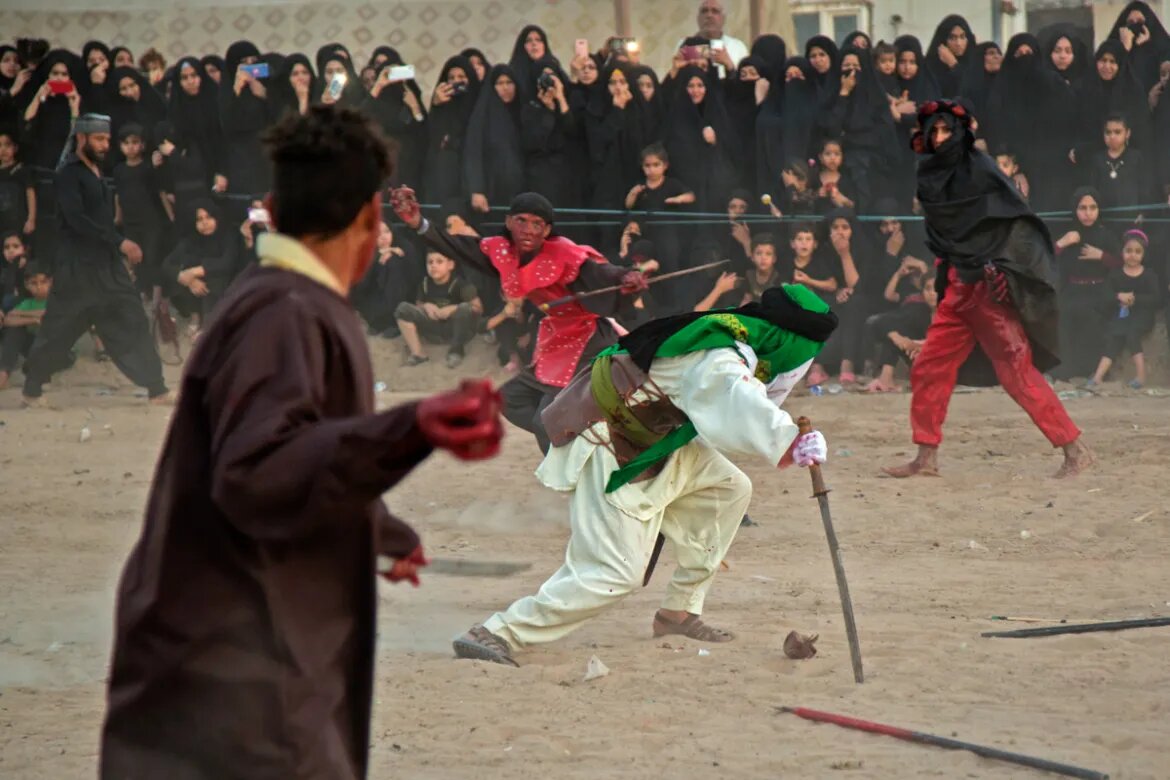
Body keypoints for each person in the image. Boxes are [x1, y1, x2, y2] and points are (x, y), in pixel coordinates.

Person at [99, 105, 504, 780]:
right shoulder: (286, 310)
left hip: (222, 665)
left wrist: (378, 526)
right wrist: (407, 427)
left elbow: (296, 444)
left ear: (268, 207)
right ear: (373, 219)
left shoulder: (274, 298)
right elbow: (256, 466)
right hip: (242, 679)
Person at [450, 284, 835, 666]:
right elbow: (733, 393)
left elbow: (738, 398)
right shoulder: (720, 352)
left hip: (658, 434)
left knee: (729, 488)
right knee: (616, 572)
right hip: (611, 439)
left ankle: (678, 613)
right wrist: (788, 440)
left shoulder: (732, 333)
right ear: (790, 341)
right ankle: (498, 631)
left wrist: (784, 436)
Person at [884, 100, 1093, 480]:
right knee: (930, 367)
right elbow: (945, 236)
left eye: (947, 130)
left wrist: (1002, 269)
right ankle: (926, 456)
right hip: (957, 290)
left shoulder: (980, 169)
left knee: (1017, 375)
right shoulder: (929, 174)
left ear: (960, 132)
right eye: (934, 131)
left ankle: (1074, 450)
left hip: (989, 292)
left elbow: (1015, 222)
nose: (940, 137)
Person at [392, 187, 650, 452]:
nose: (528, 230)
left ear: (547, 231)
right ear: (508, 222)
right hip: (556, 339)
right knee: (510, 401)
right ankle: (579, 445)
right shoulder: (502, 252)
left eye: (537, 224)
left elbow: (602, 272)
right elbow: (460, 248)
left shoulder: (565, 253)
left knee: (545, 421)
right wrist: (417, 224)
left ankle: (575, 461)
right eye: (522, 221)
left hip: (588, 340)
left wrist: (626, 278)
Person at [21, 113, 170, 407]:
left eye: (106, 139)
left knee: (131, 318)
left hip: (106, 266)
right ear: (81, 138)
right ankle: (32, 388)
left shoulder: (97, 173)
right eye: (99, 139)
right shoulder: (68, 175)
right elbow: (77, 220)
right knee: (59, 329)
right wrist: (120, 241)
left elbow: (102, 220)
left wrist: (117, 249)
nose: (105, 145)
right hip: (77, 267)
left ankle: (157, 389)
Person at [1087, 230, 1159, 389]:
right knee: (1114, 336)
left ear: (1144, 254)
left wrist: (1135, 299)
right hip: (1122, 315)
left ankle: (1141, 376)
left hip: (1142, 316)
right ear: (1122, 252)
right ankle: (1098, 377)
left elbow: (1156, 298)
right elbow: (1106, 296)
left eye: (1137, 252)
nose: (1132, 255)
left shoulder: (1149, 275)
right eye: (1128, 251)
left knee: (1132, 333)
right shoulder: (1115, 274)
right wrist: (1118, 296)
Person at [394, 250, 483, 368]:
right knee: (402, 308)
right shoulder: (424, 283)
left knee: (464, 308)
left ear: (450, 265)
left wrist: (453, 308)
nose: (433, 265)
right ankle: (418, 353)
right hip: (434, 332)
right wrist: (426, 306)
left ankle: (456, 350)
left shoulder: (461, 284)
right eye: (430, 262)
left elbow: (478, 309)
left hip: (457, 331)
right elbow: (418, 306)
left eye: (439, 261)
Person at [0, 261, 51, 389]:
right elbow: (7, 320)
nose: (39, 286)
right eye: (34, 283)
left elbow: (48, 314)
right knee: (14, 332)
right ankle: (3, 374)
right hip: (34, 347)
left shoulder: (57, 300)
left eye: (43, 282)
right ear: (27, 285)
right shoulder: (28, 302)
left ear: (51, 282)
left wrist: (21, 314)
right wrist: (33, 320)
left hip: (58, 350)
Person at [677, 0, 748, 78]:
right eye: (704, 11)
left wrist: (729, 65)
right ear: (698, 18)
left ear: (723, 19)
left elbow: (744, 85)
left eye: (715, 11)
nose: (709, 15)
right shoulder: (685, 44)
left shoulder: (738, 47)